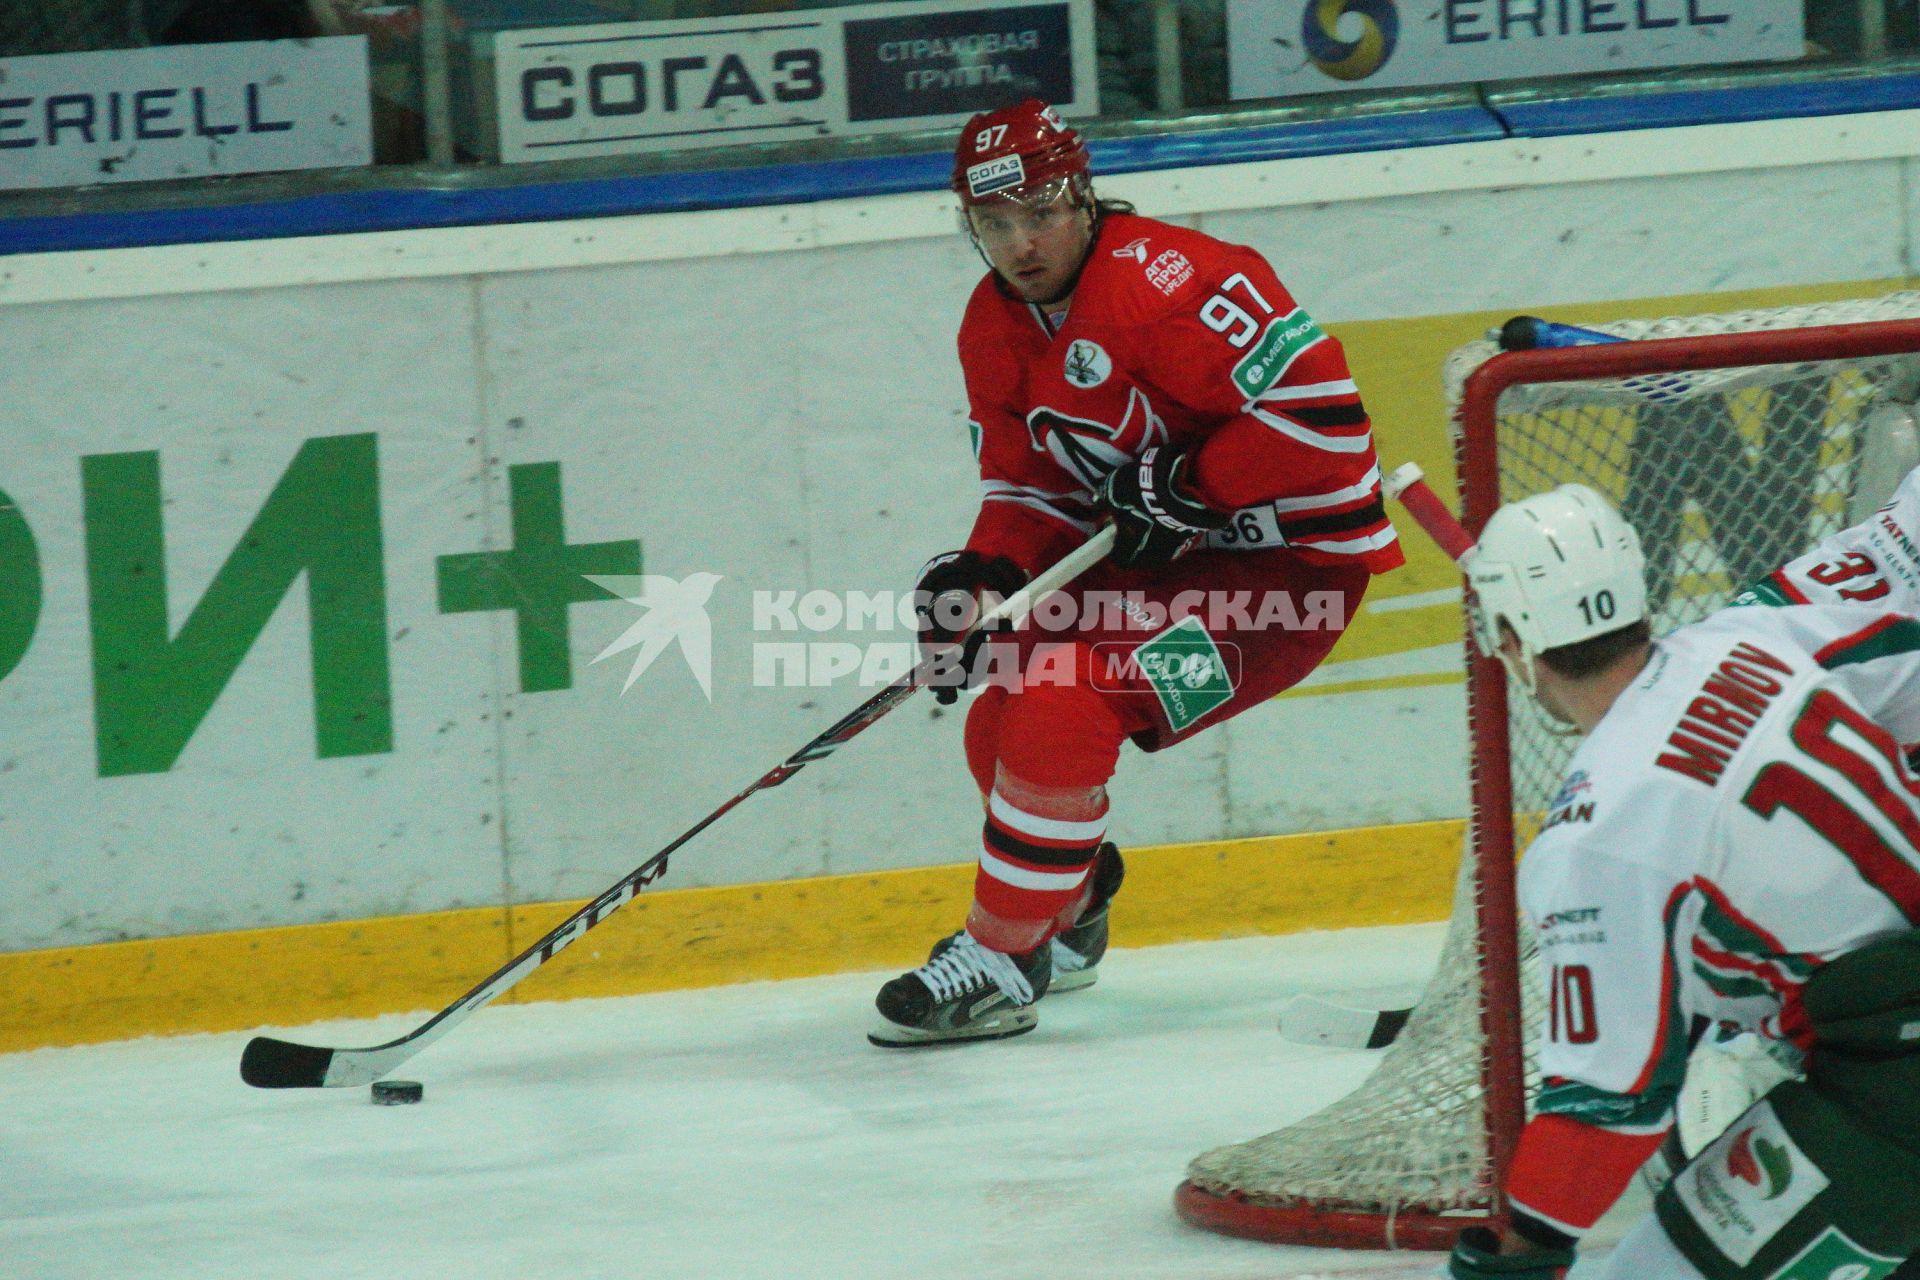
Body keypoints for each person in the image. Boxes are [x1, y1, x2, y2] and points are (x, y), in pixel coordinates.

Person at [866, 99, 1404, 1048]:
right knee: (1000, 696)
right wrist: (985, 575)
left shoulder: (1178, 281)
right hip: (1160, 570)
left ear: (1081, 194)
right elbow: (1031, 488)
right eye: (993, 224)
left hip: (1288, 584)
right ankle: (1066, 922)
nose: (1020, 242)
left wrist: (1193, 481)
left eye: (1039, 211)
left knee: (1066, 701)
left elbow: (1325, 421)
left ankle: (1000, 960)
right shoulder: (991, 327)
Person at [1444, 484, 1920, 1280]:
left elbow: (1604, 1110)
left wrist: (1515, 1260)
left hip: (1894, 1085)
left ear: (1509, 639)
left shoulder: (1599, 841)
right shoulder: (1754, 637)